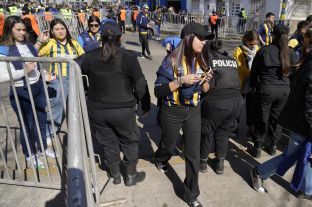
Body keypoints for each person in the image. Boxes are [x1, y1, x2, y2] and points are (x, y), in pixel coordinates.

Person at [251, 27, 312, 205]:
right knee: (292, 156)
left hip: (303, 121)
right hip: (306, 123)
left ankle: (307, 190)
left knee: (306, 157)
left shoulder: (311, 61)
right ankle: (259, 172)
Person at [154, 22, 214, 207]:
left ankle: (192, 195)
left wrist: (206, 81)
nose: (204, 42)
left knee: (193, 154)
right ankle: (161, 158)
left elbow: (206, 90)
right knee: (168, 144)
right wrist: (180, 81)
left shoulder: (203, 59)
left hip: (194, 111)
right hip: (172, 111)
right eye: (200, 38)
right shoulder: (170, 60)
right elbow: (158, 91)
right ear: (188, 38)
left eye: (205, 39)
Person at [81, 21, 147, 186]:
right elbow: (140, 83)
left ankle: (115, 174)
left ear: (100, 37)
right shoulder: (128, 57)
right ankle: (130, 175)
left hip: (97, 109)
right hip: (123, 110)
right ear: (120, 37)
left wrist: (87, 93)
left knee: (108, 142)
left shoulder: (89, 56)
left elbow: (79, 77)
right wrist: (143, 104)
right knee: (129, 141)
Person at [0, 16, 56, 168]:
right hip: (21, 91)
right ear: (9, 29)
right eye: (18, 30)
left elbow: (34, 59)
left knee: (42, 120)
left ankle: (42, 148)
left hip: (38, 87)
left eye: (24, 29)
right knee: (28, 125)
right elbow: (2, 77)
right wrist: (24, 71)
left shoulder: (28, 43)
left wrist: (39, 42)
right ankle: (30, 154)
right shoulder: (3, 49)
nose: (22, 33)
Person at [250, 24, 298, 158]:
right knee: (277, 119)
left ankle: (258, 147)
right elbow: (294, 74)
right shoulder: (291, 53)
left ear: (273, 35)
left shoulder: (264, 51)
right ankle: (273, 146)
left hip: (266, 89)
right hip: (284, 91)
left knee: (262, 118)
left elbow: (254, 72)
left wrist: (253, 86)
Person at [199, 39, 243, 175]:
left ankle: (203, 163)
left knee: (207, 133)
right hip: (236, 102)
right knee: (223, 134)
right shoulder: (231, 59)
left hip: (216, 103)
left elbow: (205, 88)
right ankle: (220, 164)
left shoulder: (207, 60)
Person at [38, 18, 85, 146]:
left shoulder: (74, 43)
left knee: (74, 107)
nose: (60, 31)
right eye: (57, 29)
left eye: (62, 28)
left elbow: (83, 58)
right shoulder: (50, 43)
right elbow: (33, 54)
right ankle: (48, 133)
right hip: (58, 80)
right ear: (52, 31)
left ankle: (75, 134)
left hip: (75, 79)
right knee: (56, 106)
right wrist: (39, 41)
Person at [233, 30, 260, 139]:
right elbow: (238, 68)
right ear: (246, 40)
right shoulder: (238, 50)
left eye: (255, 43)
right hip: (241, 82)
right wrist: (252, 72)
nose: (254, 46)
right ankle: (234, 128)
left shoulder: (258, 49)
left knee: (251, 107)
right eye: (251, 43)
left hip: (253, 83)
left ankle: (250, 128)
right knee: (238, 107)